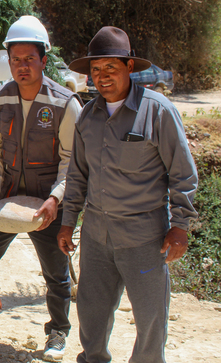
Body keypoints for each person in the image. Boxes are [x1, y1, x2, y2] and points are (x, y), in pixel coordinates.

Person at [57, 26, 198, 363]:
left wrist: (180, 226)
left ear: (129, 67)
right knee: (91, 310)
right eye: (96, 70)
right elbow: (77, 175)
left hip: (144, 237)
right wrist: (67, 222)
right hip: (96, 235)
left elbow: (183, 173)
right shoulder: (88, 116)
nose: (102, 77)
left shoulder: (158, 111)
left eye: (111, 68)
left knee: (150, 316)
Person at [0, 16, 83, 362]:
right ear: (7, 61)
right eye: (15, 59)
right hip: (8, 196)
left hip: (48, 201)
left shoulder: (65, 104)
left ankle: (57, 331)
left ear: (43, 59)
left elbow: (73, 162)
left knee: (55, 271)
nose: (22, 66)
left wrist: (56, 199)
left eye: (29, 59)